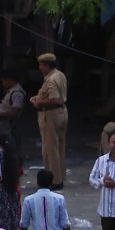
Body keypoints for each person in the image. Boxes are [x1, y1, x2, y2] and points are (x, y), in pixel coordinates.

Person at [32, 54, 69, 189]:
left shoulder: (51, 80)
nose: (40, 68)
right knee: (59, 147)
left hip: (51, 115)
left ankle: (54, 180)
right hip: (61, 113)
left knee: (50, 149)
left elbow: (55, 99)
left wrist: (39, 102)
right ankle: (59, 177)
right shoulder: (59, 75)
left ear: (47, 66)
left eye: (41, 65)